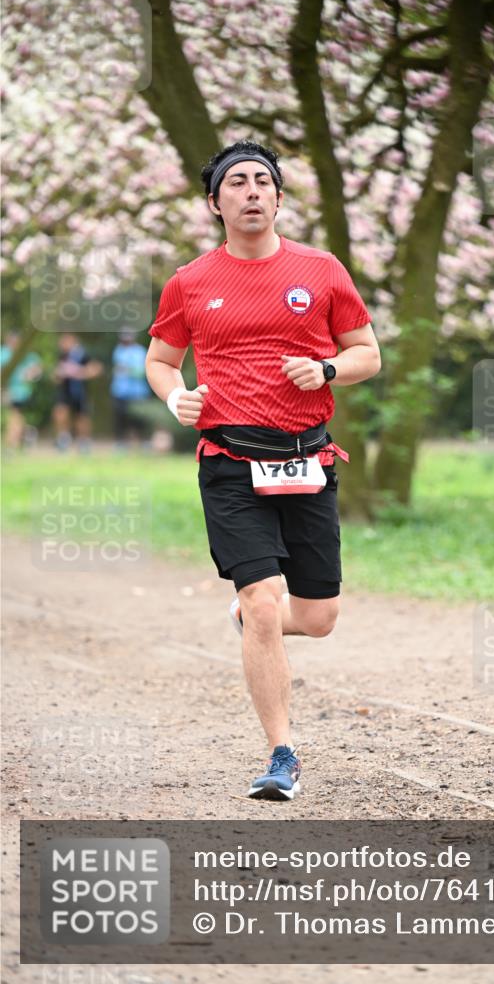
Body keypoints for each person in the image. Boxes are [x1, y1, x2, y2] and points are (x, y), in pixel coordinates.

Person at [146, 139, 381, 800]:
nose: (251, 192)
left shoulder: (323, 270)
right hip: (228, 461)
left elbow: (368, 353)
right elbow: (161, 360)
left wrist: (328, 368)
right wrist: (175, 397)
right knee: (261, 604)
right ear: (215, 202)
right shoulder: (190, 282)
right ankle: (281, 754)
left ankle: (256, 619)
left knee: (319, 616)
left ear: (277, 197)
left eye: (262, 182)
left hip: (307, 458)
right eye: (237, 183)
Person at [52, 332, 103, 452]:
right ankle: (63, 438)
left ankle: (83, 442)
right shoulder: (62, 355)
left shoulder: (83, 354)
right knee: (60, 412)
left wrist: (80, 373)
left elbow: (97, 368)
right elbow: (56, 374)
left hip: (80, 391)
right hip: (65, 391)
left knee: (82, 417)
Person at [0, 331, 42, 450]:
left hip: (20, 391)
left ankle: (10, 445)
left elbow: (38, 369)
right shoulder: (3, 353)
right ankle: (28, 432)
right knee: (13, 416)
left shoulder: (26, 354)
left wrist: (30, 374)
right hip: (4, 389)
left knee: (14, 414)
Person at [110, 330, 150, 446]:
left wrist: (128, 370)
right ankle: (121, 443)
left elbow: (142, 371)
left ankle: (143, 442)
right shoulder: (118, 350)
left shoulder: (140, 351)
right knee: (120, 418)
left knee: (139, 419)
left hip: (138, 392)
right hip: (119, 391)